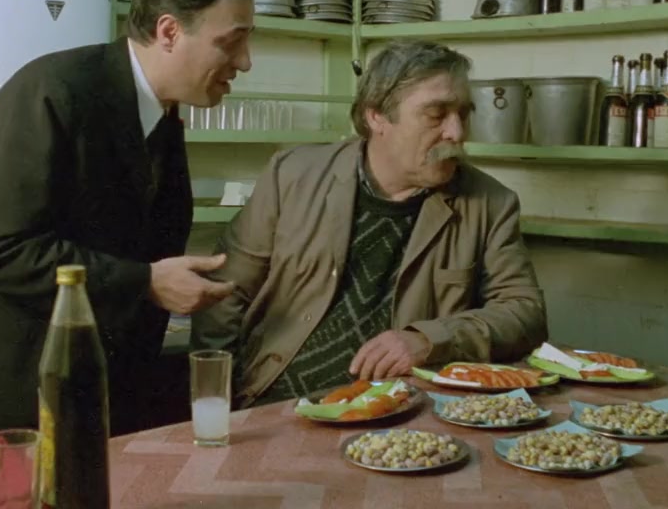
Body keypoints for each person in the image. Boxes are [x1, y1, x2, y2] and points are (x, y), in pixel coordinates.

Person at [0, 0, 266, 450]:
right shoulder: (52, 91)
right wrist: (145, 282)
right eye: (231, 42)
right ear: (169, 32)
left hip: (71, 386)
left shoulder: (161, 113)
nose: (245, 62)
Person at [190, 40, 548, 406]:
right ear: (376, 116)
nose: (456, 132)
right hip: (275, 401)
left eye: (463, 114)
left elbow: (525, 313)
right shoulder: (292, 175)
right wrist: (218, 399)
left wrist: (430, 339)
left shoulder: (490, 203)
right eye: (436, 114)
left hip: (403, 414)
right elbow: (224, 292)